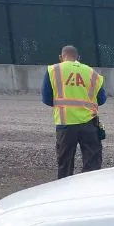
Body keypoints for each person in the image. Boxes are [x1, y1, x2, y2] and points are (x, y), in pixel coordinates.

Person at [41, 45, 107, 179]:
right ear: (79, 58)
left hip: (65, 124)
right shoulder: (92, 73)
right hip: (89, 124)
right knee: (92, 165)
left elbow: (47, 99)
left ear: (61, 57)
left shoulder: (53, 70)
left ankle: (65, 195)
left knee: (65, 165)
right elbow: (101, 99)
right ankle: (89, 193)